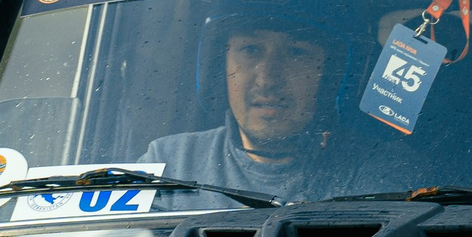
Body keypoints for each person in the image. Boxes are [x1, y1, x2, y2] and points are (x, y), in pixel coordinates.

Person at [140, 15, 354, 202]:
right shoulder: (168, 163)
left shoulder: (365, 172)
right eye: (251, 50)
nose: (267, 80)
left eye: (295, 52)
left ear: (328, 77)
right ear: (222, 68)